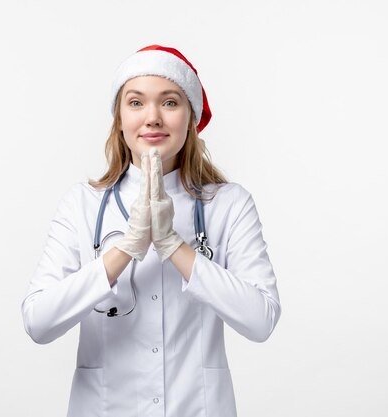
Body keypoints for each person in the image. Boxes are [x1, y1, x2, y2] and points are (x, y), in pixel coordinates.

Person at [21, 44, 281, 417]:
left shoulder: (229, 205)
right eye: (137, 102)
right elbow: (38, 322)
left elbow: (261, 320)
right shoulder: (83, 206)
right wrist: (125, 249)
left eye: (170, 102)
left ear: (190, 117)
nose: (153, 118)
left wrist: (175, 246)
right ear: (119, 118)